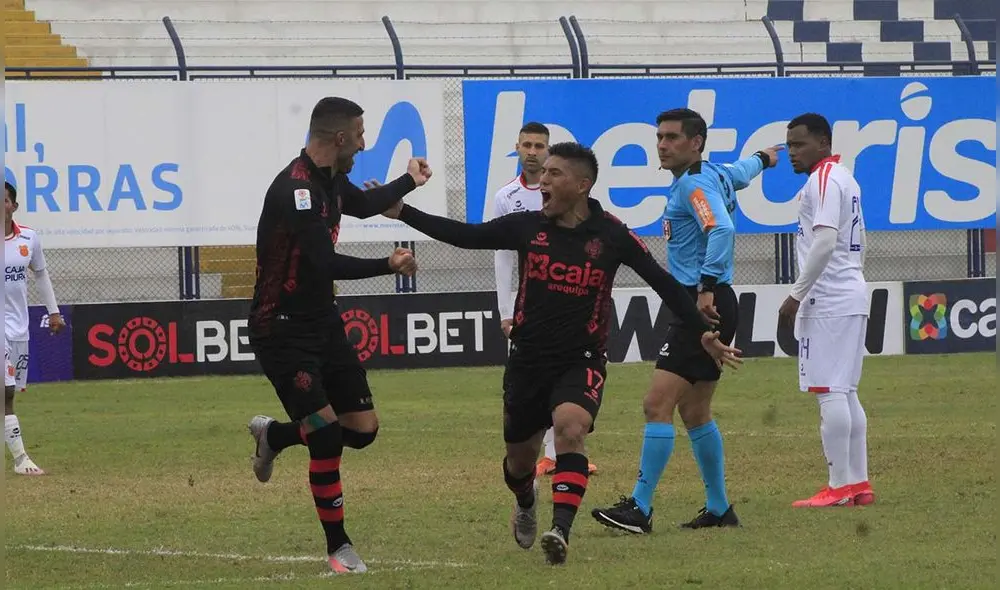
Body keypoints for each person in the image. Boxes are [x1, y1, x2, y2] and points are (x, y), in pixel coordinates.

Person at [383, 142, 742, 566]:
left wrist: (703, 331)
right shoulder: (525, 227)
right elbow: (466, 236)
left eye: (554, 174)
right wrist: (404, 211)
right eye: (544, 173)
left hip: (582, 359)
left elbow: (663, 283)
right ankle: (525, 500)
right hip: (527, 362)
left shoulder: (612, 234)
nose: (544, 181)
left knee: (571, 428)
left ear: (582, 185)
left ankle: (561, 531)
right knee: (519, 462)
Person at [244, 96, 432, 574]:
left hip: (322, 322)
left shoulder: (330, 180)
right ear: (341, 138)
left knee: (363, 431)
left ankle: (276, 435)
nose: (365, 143)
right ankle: (339, 547)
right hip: (280, 328)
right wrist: (386, 265)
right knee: (327, 435)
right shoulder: (295, 189)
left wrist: (411, 179)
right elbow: (323, 263)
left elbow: (366, 204)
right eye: (362, 134)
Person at [591, 108, 781, 533]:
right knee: (694, 411)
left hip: (701, 304)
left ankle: (639, 508)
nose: (662, 144)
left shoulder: (694, 185)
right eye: (659, 136)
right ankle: (719, 508)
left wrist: (706, 287)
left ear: (695, 143)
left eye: (672, 137)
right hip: (711, 301)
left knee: (656, 404)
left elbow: (721, 229)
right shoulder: (714, 172)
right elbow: (744, 169)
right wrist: (766, 157)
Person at [490, 122, 597, 477]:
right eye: (527, 145)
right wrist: (505, 311)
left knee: (568, 380)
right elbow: (503, 255)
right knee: (529, 388)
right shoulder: (506, 197)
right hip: (528, 308)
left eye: (540, 146)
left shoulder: (568, 190)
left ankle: (557, 453)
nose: (533, 151)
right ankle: (532, 455)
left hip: (568, 300)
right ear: (517, 148)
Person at [778, 112, 874, 508]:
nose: (792, 153)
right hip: (850, 291)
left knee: (829, 391)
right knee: (847, 391)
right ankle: (857, 484)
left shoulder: (822, 179)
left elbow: (824, 242)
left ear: (823, 143)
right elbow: (860, 239)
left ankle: (837, 488)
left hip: (828, 299)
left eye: (799, 145)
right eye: (788, 146)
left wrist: (797, 294)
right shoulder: (845, 177)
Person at [4, 181, 65, 476]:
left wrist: (53, 312)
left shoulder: (29, 238)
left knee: (10, 392)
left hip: (17, 327)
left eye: (3, 200)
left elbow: (40, 275)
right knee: (5, 389)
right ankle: (20, 459)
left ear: (12, 206)